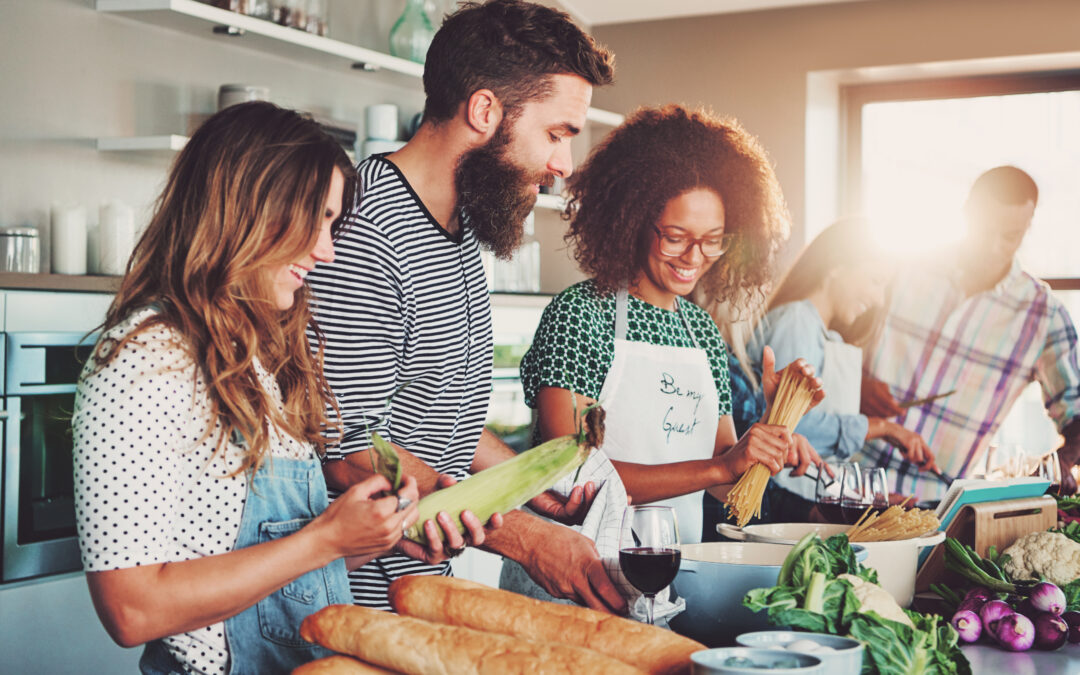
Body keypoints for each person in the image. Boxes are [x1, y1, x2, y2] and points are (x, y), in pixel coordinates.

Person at [71, 102, 470, 674]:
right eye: (316, 219)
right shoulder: (146, 360)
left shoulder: (256, 356)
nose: (326, 250)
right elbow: (132, 608)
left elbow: (258, 571)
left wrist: (367, 538)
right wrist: (324, 542)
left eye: (333, 224)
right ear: (250, 207)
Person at [305, 0, 624, 613]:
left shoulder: (456, 231)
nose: (564, 165)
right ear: (484, 111)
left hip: (416, 595)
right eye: (557, 133)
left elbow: (430, 408)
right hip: (345, 608)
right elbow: (349, 450)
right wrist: (529, 540)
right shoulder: (365, 232)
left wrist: (529, 482)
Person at [519, 104, 825, 557]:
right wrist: (720, 467)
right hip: (569, 574)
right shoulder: (580, 315)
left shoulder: (700, 330)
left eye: (713, 238)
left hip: (670, 575)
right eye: (676, 236)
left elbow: (725, 487)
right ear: (633, 221)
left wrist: (771, 429)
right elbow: (569, 477)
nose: (693, 257)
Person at [858, 166, 1080, 500]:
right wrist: (854, 382)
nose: (992, 247)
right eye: (984, 229)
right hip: (846, 481)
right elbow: (834, 340)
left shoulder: (1043, 315)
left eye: (1009, 236)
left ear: (1026, 230)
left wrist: (1060, 463)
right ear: (966, 213)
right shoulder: (903, 268)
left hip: (935, 506)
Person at [744, 219, 938, 521]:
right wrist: (885, 428)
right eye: (876, 281)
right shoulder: (796, 321)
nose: (878, 299)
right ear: (835, 266)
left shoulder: (823, 333)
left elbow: (818, 455)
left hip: (810, 509)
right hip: (782, 512)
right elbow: (790, 429)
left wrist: (863, 497)